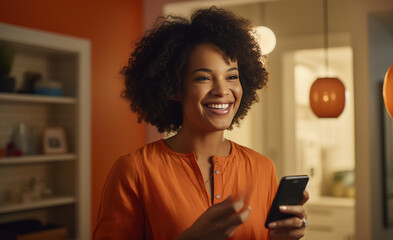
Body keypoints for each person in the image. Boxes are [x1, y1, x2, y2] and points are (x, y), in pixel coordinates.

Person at [93, 6, 309, 240]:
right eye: (204, 77)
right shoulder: (134, 170)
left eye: (232, 76)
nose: (222, 90)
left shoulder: (262, 168)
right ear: (175, 87)